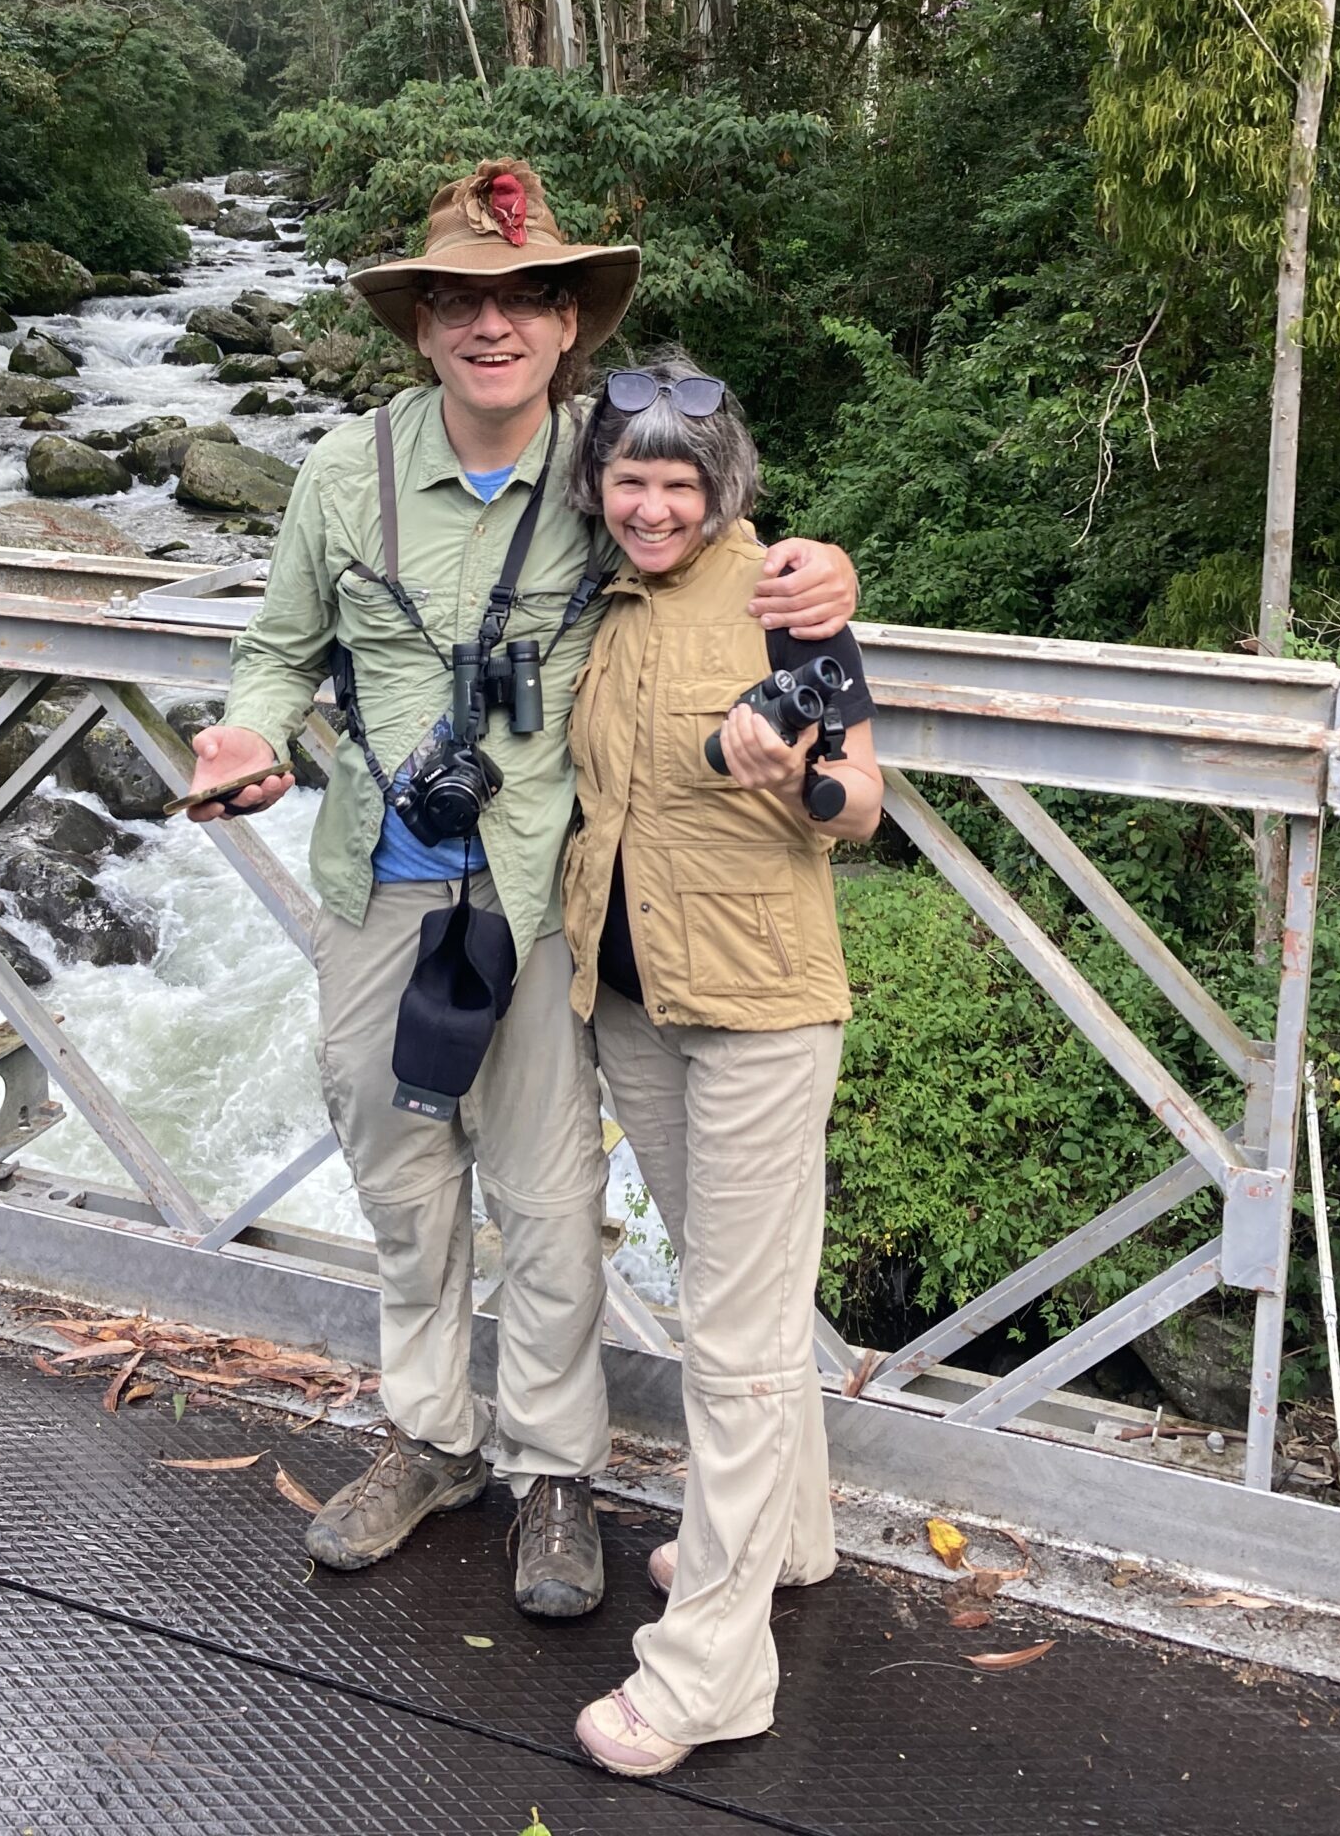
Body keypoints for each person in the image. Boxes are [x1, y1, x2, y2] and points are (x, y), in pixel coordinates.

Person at [182, 160, 859, 1620]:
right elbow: (277, 652)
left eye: (527, 299)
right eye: (460, 301)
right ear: (420, 327)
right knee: (402, 1180)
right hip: (379, 881)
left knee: (550, 1200)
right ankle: (434, 1439)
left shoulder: (607, 468)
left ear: (570, 330)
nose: (494, 325)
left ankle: (558, 1470)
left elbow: (742, 554)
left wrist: (826, 575)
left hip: (547, 900)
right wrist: (246, 732)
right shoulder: (338, 473)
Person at [560, 359, 883, 1777]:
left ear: (722, 490)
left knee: (734, 1340)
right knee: (730, 1291)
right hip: (628, 998)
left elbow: (861, 803)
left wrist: (793, 777)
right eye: (629, 479)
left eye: (678, 484)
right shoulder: (596, 591)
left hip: (757, 1009)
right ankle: (788, 1538)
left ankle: (709, 1673)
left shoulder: (784, 591)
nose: (650, 505)